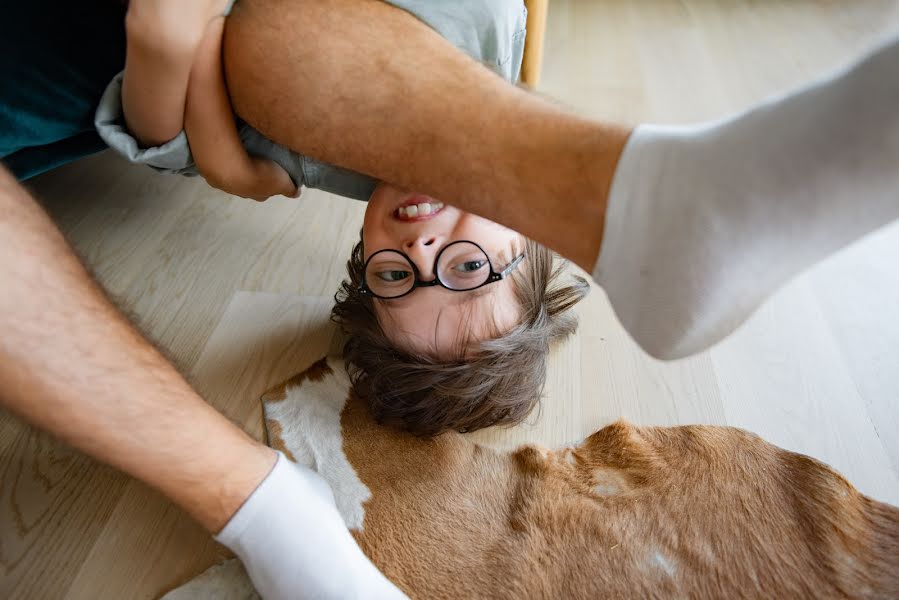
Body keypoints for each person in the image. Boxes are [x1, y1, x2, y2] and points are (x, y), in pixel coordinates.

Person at [2, 0, 897, 599]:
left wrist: (180, 74)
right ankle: (639, 199)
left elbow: (160, 121)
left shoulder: (303, 145)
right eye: (471, 268)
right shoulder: (470, 52)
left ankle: (652, 204)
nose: (421, 246)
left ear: (360, 260)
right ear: (530, 241)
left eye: (394, 276)